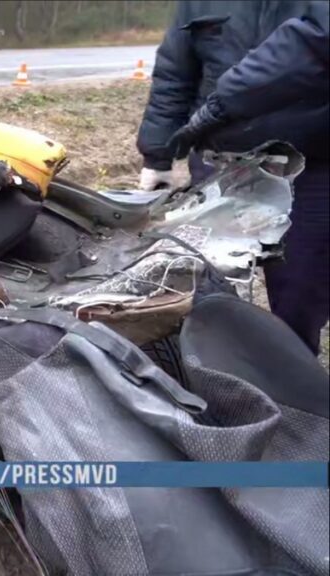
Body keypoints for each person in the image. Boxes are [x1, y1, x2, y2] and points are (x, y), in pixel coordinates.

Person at [138, 0, 329, 354]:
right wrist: (157, 157)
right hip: (218, 164)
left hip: (310, 168)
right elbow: (174, 75)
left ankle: (293, 383)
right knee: (205, 286)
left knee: (300, 293)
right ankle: (211, 379)